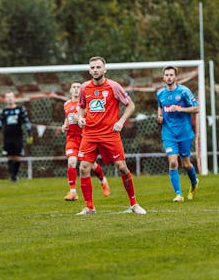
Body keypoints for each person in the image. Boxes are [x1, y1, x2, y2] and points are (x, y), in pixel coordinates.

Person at [75, 56, 146, 215]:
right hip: (90, 134)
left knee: (122, 167)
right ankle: (89, 207)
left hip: (110, 134)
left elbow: (131, 105)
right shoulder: (84, 88)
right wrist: (80, 117)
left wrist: (120, 121)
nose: (95, 70)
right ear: (89, 70)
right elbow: (81, 106)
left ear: (104, 69)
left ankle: (134, 204)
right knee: (84, 168)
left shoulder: (114, 87)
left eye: (98, 67)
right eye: (92, 67)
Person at [156, 65, 200, 202]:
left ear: (176, 77)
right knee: (173, 163)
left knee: (186, 164)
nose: (169, 77)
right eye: (166, 75)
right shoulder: (160, 93)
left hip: (184, 132)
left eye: (171, 75)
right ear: (163, 77)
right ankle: (179, 194)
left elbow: (197, 108)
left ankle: (194, 183)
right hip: (168, 133)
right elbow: (160, 106)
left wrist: (180, 109)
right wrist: (159, 116)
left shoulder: (184, 91)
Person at [62, 81, 110, 202]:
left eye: (79, 87)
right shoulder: (66, 104)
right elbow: (66, 119)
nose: (77, 89)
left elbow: (90, 119)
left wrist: (79, 118)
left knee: (91, 166)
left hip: (85, 137)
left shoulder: (86, 104)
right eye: (74, 87)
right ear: (70, 90)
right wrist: (64, 126)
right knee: (72, 162)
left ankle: (103, 180)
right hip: (71, 139)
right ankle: (73, 192)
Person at [0, 91, 32, 182]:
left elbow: (26, 122)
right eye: (7, 97)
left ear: (14, 98)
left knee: (17, 157)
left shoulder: (20, 109)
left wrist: (29, 134)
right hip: (7, 137)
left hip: (18, 136)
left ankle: (14, 175)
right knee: (9, 157)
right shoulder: (4, 111)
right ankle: (12, 176)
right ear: (5, 99)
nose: (9, 99)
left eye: (11, 97)